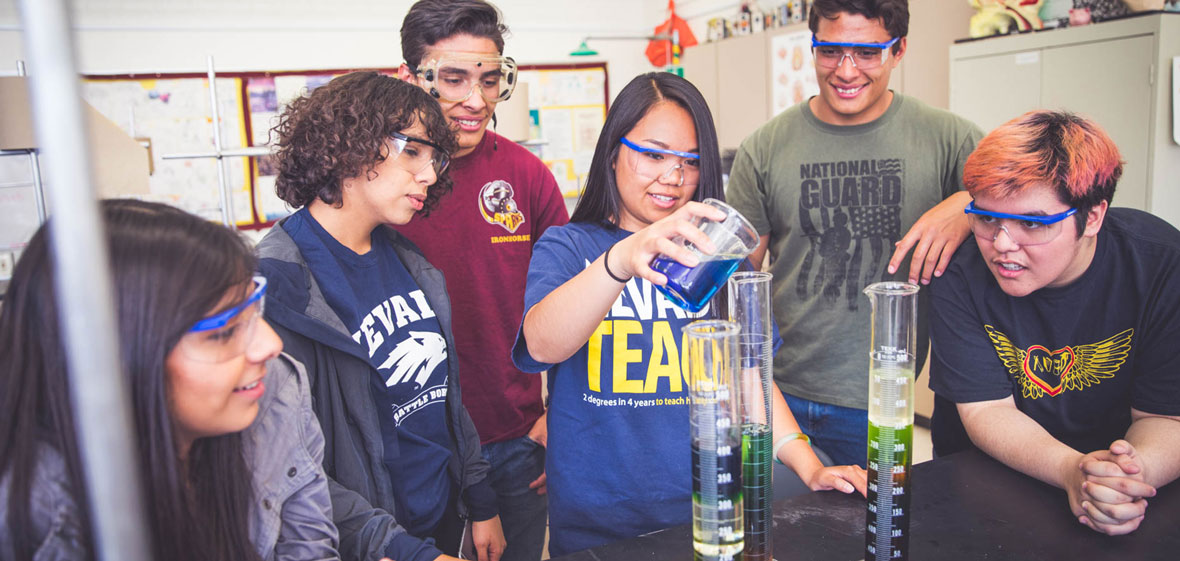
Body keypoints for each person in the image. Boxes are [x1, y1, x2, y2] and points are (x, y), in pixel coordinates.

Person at [511, 72, 867, 557]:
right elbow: (542, 344)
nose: (673, 177)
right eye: (654, 154)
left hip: (708, 511)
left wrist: (809, 467)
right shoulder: (570, 247)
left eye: (691, 162)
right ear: (613, 151)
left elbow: (750, 379)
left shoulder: (717, 258)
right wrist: (621, 259)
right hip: (597, 522)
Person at [0, 199, 338, 560]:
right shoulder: (35, 511)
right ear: (118, 359)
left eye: (254, 310)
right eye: (223, 333)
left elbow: (309, 548)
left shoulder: (274, 392)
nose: (271, 345)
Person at [724, 0, 984, 467]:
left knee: (871, 534)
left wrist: (967, 204)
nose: (846, 71)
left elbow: (1025, 209)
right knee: (775, 537)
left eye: (867, 53)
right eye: (830, 51)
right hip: (775, 393)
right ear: (813, 46)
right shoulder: (764, 146)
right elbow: (740, 278)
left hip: (878, 398)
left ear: (898, 49)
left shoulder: (950, 139)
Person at [258, 71, 504, 561]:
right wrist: (393, 547)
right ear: (350, 143)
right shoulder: (278, 282)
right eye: (413, 151)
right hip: (367, 542)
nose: (430, 175)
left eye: (435, 158)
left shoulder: (410, 262)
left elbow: (445, 397)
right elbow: (283, 462)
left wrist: (480, 500)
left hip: (440, 521)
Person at [928, 110, 1180, 536]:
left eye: (1031, 223)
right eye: (987, 218)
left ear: (1093, 217)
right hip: (988, 482)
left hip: (1122, 485)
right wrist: (1070, 470)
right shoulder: (958, 268)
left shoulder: (1160, 264)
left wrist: (1127, 479)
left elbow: (1166, 417)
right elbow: (987, 409)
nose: (1002, 246)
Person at [395, 3, 568, 559]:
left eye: (489, 80)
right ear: (410, 78)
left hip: (517, 438)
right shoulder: (380, 183)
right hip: (414, 447)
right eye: (453, 79)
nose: (475, 101)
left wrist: (556, 413)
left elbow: (576, 300)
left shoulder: (527, 176)